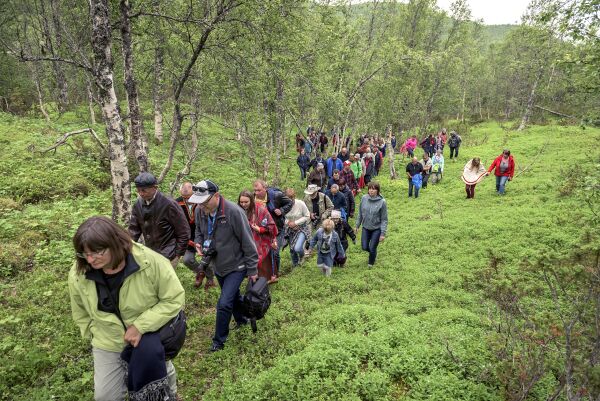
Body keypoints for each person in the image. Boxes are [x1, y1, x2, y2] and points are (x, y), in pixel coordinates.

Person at [69, 216, 185, 401]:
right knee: (105, 396)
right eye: (85, 254)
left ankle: (169, 393)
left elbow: (174, 298)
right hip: (107, 341)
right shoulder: (79, 273)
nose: (90, 259)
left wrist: (141, 326)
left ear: (114, 243)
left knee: (160, 370)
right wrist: (93, 332)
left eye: (97, 252)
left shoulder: (150, 262)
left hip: (149, 336)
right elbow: (80, 310)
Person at [189, 180, 259, 352]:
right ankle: (243, 319)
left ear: (216, 196)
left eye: (205, 202)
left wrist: (252, 270)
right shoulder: (199, 210)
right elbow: (198, 230)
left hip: (237, 265)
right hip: (217, 264)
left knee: (224, 303)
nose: (201, 206)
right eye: (199, 202)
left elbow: (248, 242)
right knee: (233, 297)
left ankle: (218, 341)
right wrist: (198, 242)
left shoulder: (234, 212)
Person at [128, 172, 190, 268]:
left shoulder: (169, 204)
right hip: (150, 253)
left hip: (169, 254)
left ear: (155, 188)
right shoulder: (138, 204)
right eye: (138, 190)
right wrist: (126, 247)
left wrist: (178, 254)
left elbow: (184, 231)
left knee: (165, 282)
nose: (141, 193)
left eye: (144, 190)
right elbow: (133, 230)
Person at [176, 182, 215, 289]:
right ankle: (200, 273)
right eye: (183, 187)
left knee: (208, 260)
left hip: (202, 235)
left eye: (189, 187)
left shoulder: (201, 201)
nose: (185, 189)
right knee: (187, 260)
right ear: (180, 190)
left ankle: (210, 279)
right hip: (187, 238)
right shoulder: (176, 203)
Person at [253, 180, 293, 277]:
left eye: (259, 190)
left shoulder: (276, 196)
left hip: (277, 229)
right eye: (255, 190)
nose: (256, 193)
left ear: (265, 189)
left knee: (275, 252)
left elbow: (290, 202)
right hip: (262, 230)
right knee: (262, 253)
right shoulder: (252, 198)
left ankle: (275, 273)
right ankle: (264, 274)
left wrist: (282, 210)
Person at [238, 190, 278, 283]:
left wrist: (260, 229)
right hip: (246, 243)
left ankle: (262, 288)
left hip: (262, 243)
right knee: (251, 267)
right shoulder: (237, 211)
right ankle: (252, 285)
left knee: (263, 269)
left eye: (246, 202)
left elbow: (272, 226)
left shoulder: (261, 209)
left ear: (251, 201)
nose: (243, 204)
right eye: (241, 202)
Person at [355, 181, 388, 268]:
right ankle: (373, 253)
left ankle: (371, 263)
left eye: (373, 189)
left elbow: (384, 219)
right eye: (370, 189)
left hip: (377, 229)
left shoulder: (382, 202)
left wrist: (382, 233)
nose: (371, 191)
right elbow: (360, 213)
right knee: (364, 247)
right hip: (366, 227)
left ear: (377, 190)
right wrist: (357, 225)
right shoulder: (364, 198)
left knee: (373, 247)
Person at [283, 188, 311, 267]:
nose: (290, 200)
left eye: (291, 198)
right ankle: (295, 265)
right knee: (292, 250)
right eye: (287, 198)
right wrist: (288, 223)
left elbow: (307, 216)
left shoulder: (300, 203)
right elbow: (282, 217)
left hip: (301, 228)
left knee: (297, 248)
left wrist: (296, 223)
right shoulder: (283, 205)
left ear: (294, 197)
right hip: (290, 228)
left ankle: (302, 256)